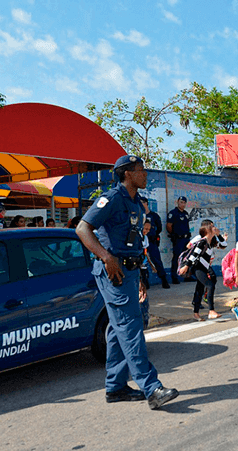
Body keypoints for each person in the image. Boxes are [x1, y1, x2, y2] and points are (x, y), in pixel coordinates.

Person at [76, 154, 178, 410]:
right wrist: (106, 257)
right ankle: (152, 388)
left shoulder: (135, 203)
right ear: (128, 174)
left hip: (130, 271)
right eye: (141, 170)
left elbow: (132, 241)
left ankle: (116, 386)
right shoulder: (110, 199)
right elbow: (82, 229)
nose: (145, 174)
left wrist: (140, 276)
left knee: (116, 329)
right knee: (131, 327)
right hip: (114, 272)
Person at [179, 219, 225, 321]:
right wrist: (186, 266)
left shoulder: (211, 241)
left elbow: (224, 245)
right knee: (210, 285)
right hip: (198, 268)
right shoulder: (202, 241)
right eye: (212, 227)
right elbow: (194, 255)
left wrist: (219, 235)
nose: (215, 228)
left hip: (205, 267)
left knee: (200, 288)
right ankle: (211, 311)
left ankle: (196, 313)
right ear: (208, 230)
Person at [140, 196, 170, 289]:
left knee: (157, 260)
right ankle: (145, 282)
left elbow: (159, 228)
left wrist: (153, 234)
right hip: (141, 242)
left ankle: (164, 279)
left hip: (152, 241)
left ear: (146, 203)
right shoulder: (139, 216)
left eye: (142, 203)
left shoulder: (154, 216)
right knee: (142, 262)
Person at [167, 196, 191, 284]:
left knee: (187, 257)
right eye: (181, 202)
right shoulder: (173, 213)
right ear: (177, 202)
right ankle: (174, 277)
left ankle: (187, 276)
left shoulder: (186, 213)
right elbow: (169, 226)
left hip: (186, 239)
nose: (183, 204)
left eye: (184, 203)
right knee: (177, 258)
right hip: (178, 239)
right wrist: (174, 235)